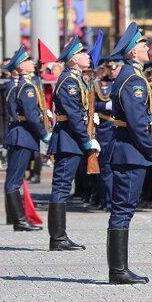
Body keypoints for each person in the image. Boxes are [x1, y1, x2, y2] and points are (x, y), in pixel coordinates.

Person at [106, 22, 152, 284]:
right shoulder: (133, 80)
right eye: (143, 44)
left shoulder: (134, 76)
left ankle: (119, 269)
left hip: (128, 151)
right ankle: (118, 270)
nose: (147, 47)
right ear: (133, 52)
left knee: (124, 209)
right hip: (130, 152)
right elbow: (134, 122)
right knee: (123, 210)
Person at [46, 38, 100, 250]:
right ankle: (58, 238)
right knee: (61, 187)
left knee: (62, 187)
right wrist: (86, 141)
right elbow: (74, 115)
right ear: (73, 59)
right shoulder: (69, 81)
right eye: (83, 53)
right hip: (68, 140)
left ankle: (59, 236)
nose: (88, 56)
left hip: (70, 139)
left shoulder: (76, 79)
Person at [2, 46, 48, 231]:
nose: (32, 63)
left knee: (15, 178)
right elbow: (30, 114)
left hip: (20, 134)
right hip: (22, 136)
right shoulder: (26, 86)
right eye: (28, 61)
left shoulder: (23, 84)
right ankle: (19, 221)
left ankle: (17, 219)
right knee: (14, 180)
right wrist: (44, 134)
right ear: (20, 67)